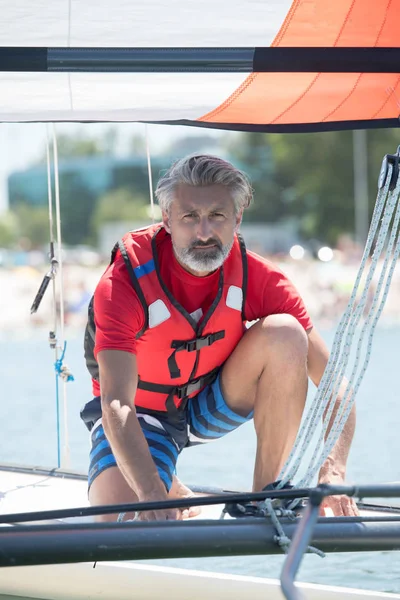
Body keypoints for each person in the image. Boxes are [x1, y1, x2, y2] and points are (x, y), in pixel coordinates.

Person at [81, 154, 357, 522]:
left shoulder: (259, 278)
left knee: (287, 334)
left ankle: (266, 499)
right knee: (117, 520)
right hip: (143, 415)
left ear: (237, 217)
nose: (204, 232)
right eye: (190, 217)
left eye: (217, 216)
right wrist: (149, 493)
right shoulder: (124, 283)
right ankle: (162, 476)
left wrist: (334, 471)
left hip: (210, 403)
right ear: (167, 219)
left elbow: (334, 379)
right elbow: (116, 402)